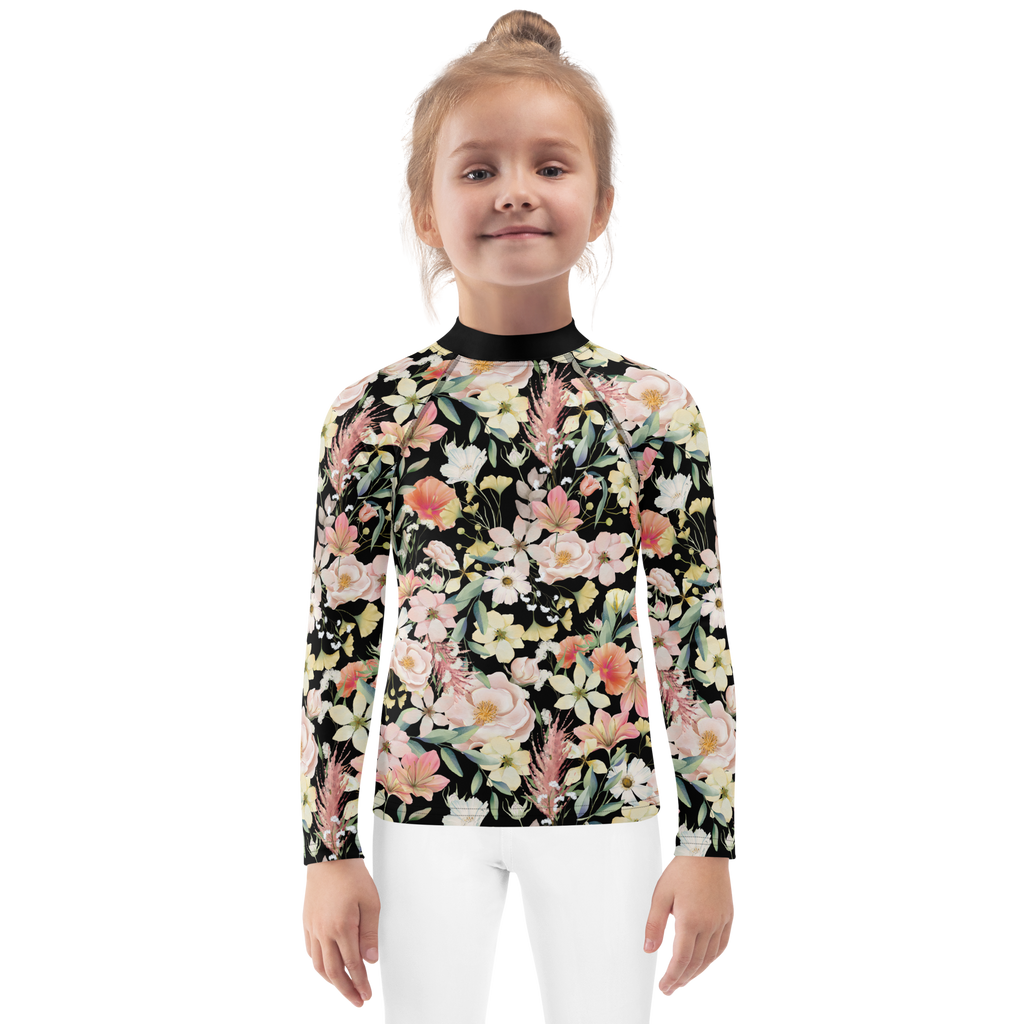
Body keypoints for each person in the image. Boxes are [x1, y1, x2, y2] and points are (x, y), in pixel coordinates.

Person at [298, 9, 737, 1020]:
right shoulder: (372, 411)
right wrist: (329, 852)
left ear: (604, 202)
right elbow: (338, 641)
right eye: (477, 168)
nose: (515, 191)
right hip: (416, 812)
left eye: (549, 164)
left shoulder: (654, 407)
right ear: (423, 211)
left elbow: (692, 635)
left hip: (609, 808)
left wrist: (707, 844)